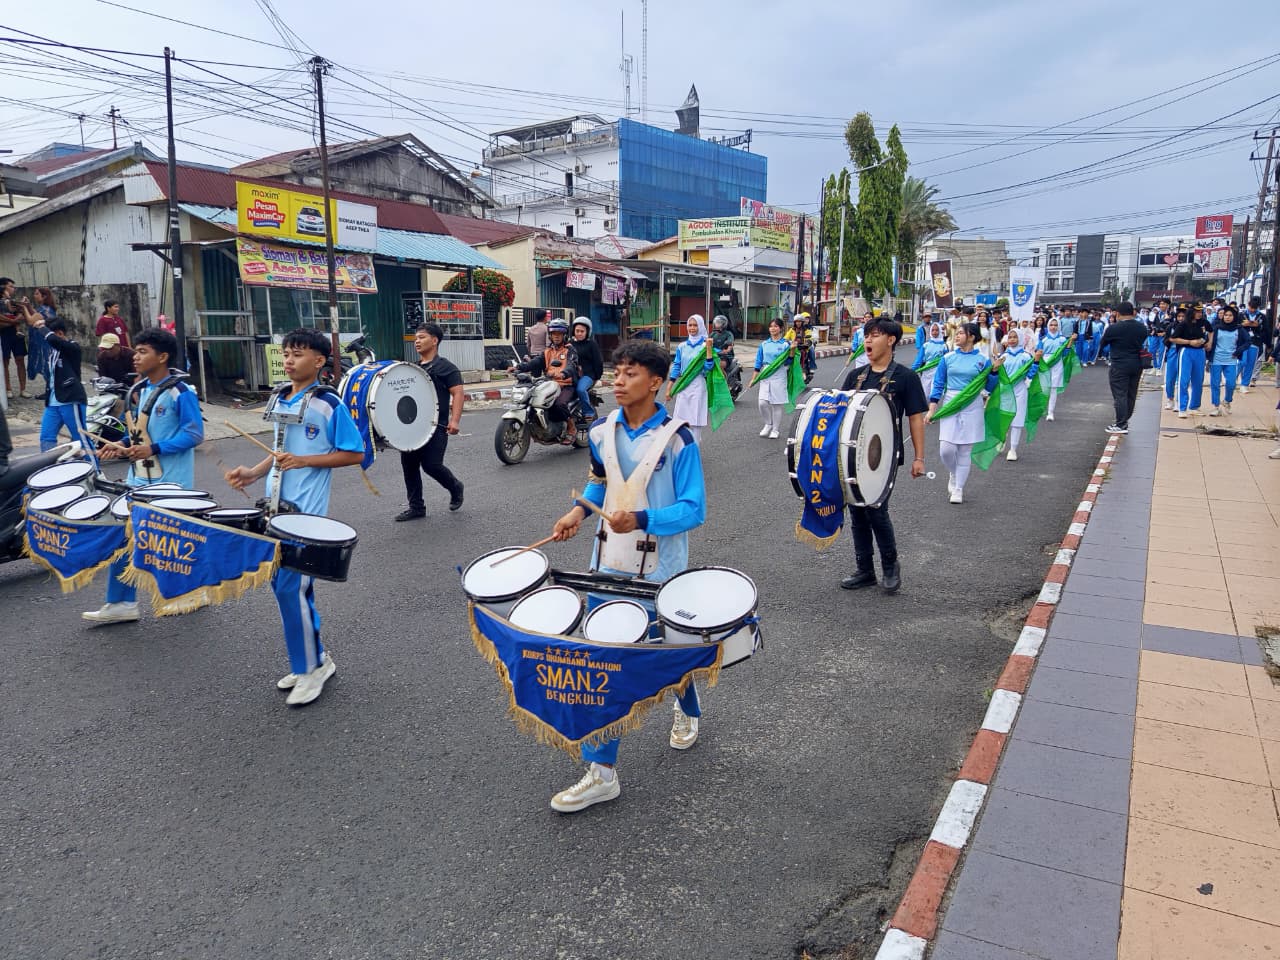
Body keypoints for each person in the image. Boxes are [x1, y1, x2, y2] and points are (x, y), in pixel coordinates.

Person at [547, 339, 707, 813]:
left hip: (659, 572)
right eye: (616, 373)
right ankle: (602, 772)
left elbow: (693, 510)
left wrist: (641, 520)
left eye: (630, 373)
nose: (617, 381)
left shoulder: (679, 438)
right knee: (606, 664)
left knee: (667, 655)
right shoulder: (601, 430)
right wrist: (578, 510)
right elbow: (602, 477)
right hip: (606, 567)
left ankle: (687, 707)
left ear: (655, 382)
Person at [224, 329, 364, 706]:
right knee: (285, 587)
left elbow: (355, 453)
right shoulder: (280, 397)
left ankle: (311, 668)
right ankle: (314, 659)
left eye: (298, 354)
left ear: (319, 361)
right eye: (286, 353)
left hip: (306, 512)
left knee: (291, 587)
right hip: (274, 506)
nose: (288, 360)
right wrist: (253, 473)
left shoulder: (328, 404)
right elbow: (280, 448)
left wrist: (307, 461)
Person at [82, 328, 204, 624]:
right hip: (138, 479)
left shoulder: (180, 392)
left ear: (162, 357)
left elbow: (194, 434)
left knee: (173, 543)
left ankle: (195, 592)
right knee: (122, 538)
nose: (135, 357)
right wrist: (121, 446)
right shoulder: (138, 391)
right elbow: (137, 432)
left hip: (171, 483)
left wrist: (154, 448)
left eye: (142, 352)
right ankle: (121, 602)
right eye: (135, 351)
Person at [836, 317, 927, 594]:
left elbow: (915, 418)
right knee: (857, 513)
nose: (868, 340)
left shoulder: (906, 377)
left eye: (875, 335)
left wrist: (919, 457)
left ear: (891, 340)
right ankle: (864, 570)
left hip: (883, 458)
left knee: (876, 511)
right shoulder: (856, 376)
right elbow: (841, 413)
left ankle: (890, 565)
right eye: (866, 335)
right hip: (853, 457)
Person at [395, 322, 465, 522]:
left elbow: (458, 393)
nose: (417, 341)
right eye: (416, 338)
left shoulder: (447, 367)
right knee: (409, 466)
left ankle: (455, 486)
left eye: (422, 337)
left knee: (432, 465)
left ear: (434, 341)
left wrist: (455, 420)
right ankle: (416, 507)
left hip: (437, 426)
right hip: (412, 426)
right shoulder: (413, 369)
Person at [927, 322, 999, 505]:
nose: (956, 336)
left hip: (972, 405)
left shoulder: (983, 360)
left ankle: (958, 488)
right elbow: (938, 384)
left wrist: (994, 373)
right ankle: (954, 472)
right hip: (951, 403)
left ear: (972, 337)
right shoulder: (948, 358)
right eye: (956, 333)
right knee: (946, 450)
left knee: (965, 450)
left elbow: (989, 386)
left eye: (960, 333)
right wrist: (932, 410)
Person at [25, 316, 91, 452]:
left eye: (51, 334)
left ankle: (94, 469)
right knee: (46, 437)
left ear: (60, 333)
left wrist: (41, 327)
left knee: (81, 438)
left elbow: (53, 340)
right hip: (53, 402)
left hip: (70, 399)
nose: (48, 341)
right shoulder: (53, 352)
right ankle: (50, 469)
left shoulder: (73, 347)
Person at [511, 318, 580, 445]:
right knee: (535, 398)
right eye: (554, 334)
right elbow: (535, 362)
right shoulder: (548, 351)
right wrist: (519, 367)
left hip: (566, 385)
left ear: (565, 335)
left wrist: (565, 373)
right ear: (550, 335)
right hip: (550, 384)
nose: (557, 337)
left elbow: (572, 364)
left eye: (559, 334)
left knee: (559, 404)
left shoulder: (570, 350)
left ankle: (571, 428)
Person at [1098, 302, 1147, 435]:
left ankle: (1121, 424)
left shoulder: (1114, 328)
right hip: (1137, 363)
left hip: (1119, 364)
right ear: (1133, 312)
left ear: (1118, 313)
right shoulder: (1142, 327)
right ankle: (1125, 421)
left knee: (1120, 394)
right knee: (1131, 394)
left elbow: (1103, 343)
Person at [666, 314, 713, 444]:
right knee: (681, 418)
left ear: (701, 326)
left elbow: (709, 367)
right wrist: (669, 387)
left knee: (696, 418)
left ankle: (695, 447)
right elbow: (677, 366)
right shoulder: (682, 346)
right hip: (684, 385)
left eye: (695, 325)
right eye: (690, 325)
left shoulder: (705, 345)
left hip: (698, 384)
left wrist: (709, 349)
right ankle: (683, 446)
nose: (692, 328)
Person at [997, 326, 1042, 460]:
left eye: (1015, 337)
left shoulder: (1025, 356)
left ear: (1021, 338)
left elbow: (1032, 371)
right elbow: (998, 373)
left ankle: (1013, 449)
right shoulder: (1003, 356)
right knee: (1004, 417)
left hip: (1020, 390)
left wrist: (1036, 363)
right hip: (1005, 391)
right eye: (1010, 337)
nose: (1012, 340)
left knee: (1017, 419)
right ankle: (1002, 439)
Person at [1171, 304, 1213, 419]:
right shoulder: (1184, 324)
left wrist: (1209, 343)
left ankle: (1194, 406)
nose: (1199, 313)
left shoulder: (1204, 322)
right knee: (1183, 379)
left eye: (1200, 311)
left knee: (1198, 379)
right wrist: (1189, 342)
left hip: (1200, 352)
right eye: (1196, 311)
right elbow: (1173, 338)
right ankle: (1182, 407)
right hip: (1186, 351)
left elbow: (1211, 331)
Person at [754, 318, 794, 439]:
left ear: (781, 328)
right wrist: (753, 378)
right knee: (762, 402)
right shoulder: (764, 344)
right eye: (771, 326)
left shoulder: (785, 344)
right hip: (766, 373)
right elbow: (758, 362)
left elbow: (789, 361)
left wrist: (792, 350)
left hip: (779, 373)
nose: (773, 328)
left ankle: (775, 430)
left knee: (776, 404)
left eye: (776, 326)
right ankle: (768, 424)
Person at [1207, 305, 1248, 418]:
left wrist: (1238, 351)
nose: (1228, 317)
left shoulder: (1239, 329)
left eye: (1230, 315)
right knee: (1215, 384)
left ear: (1234, 317)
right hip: (1216, 359)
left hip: (1231, 360)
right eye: (1226, 315)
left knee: (1231, 383)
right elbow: (1209, 341)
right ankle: (1216, 407)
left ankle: (1227, 400)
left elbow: (1248, 341)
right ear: (1222, 316)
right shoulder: (1216, 328)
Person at [1037, 316, 1074, 421]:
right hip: (1045, 364)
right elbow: (1039, 352)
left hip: (1057, 364)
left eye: (1055, 325)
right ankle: (1042, 410)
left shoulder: (1062, 339)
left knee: (1053, 389)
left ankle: (1050, 412)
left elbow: (1066, 352)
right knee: (1044, 388)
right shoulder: (1043, 339)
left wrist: (1070, 341)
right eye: (1051, 325)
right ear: (1048, 326)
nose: (1053, 327)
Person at [1, 278, 30, 399]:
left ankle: (23, 389)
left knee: (20, 360)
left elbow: (23, 316)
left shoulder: (14, 302)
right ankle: (8, 389)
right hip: (3, 334)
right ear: (3, 288)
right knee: (5, 362)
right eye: (10, 286)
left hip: (16, 334)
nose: (13, 289)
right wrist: (13, 321)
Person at [25, 287, 56, 395]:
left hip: (43, 342)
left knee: (46, 365)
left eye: (37, 294)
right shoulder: (45, 308)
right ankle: (49, 390)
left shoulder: (44, 309)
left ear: (44, 296)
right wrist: (28, 306)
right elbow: (35, 314)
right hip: (42, 340)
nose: (35, 295)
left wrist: (24, 307)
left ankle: (50, 391)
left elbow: (30, 320)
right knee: (45, 365)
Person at [571, 318, 603, 422]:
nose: (579, 333)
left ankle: (588, 412)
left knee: (580, 389)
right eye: (577, 331)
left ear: (587, 332)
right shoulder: (570, 344)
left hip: (588, 375)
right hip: (573, 375)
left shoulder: (592, 345)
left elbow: (598, 362)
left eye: (582, 331)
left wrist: (597, 377)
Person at [1238, 297, 1266, 392]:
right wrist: (1243, 325)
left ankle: (1244, 384)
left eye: (1255, 308)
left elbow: (1266, 330)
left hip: (1255, 342)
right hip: (1243, 341)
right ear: (1248, 305)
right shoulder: (1241, 315)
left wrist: (1258, 326)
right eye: (1251, 307)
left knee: (1250, 364)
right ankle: (1232, 379)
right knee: (1242, 362)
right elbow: (1234, 326)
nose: (1252, 310)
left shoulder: (1262, 316)